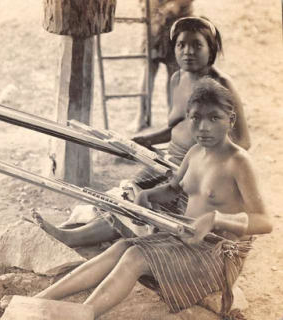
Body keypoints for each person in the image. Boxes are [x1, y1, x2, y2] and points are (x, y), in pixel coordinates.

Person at [33, 78, 272, 319]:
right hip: (186, 240)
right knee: (123, 246)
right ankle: (40, 301)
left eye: (214, 118)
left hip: (217, 257)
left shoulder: (238, 162)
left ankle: (79, 316)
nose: (203, 128)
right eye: (195, 118)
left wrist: (216, 219)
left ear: (230, 121)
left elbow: (264, 222)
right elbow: (173, 189)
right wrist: (147, 195)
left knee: (136, 256)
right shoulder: (195, 152)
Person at [32, 16, 251, 248]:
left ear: (211, 49)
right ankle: (83, 232)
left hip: (195, 171)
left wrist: (203, 166)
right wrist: (145, 140)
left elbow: (244, 142)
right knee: (130, 193)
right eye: (181, 45)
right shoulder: (177, 78)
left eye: (197, 45)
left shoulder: (221, 85)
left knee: (141, 203)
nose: (188, 52)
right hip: (168, 162)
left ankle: (72, 238)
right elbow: (177, 125)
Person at [129, 0, 194, 132]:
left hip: (177, 23)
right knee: (148, 70)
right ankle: (141, 116)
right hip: (154, 23)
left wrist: (173, 6)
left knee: (175, 74)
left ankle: (173, 118)